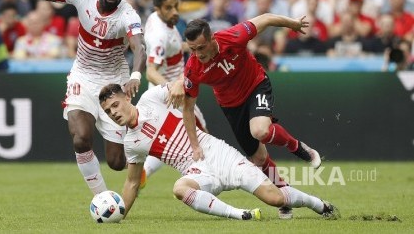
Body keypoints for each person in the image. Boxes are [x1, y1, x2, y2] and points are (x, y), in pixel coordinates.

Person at [0, 0, 147, 195]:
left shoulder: (129, 15)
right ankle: (102, 198)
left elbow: (139, 47)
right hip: (82, 77)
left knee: (116, 162)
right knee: (81, 138)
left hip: (114, 83)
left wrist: (136, 75)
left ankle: (140, 164)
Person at [98, 82, 339, 220]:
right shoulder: (131, 143)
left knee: (275, 198)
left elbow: (183, 83)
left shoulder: (151, 98)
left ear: (127, 98)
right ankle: (239, 214)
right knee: (180, 188)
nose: (114, 112)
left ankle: (318, 204)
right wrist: (119, 215)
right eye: (109, 112)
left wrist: (181, 85)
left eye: (115, 105)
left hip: (218, 154)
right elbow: (131, 183)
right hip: (196, 171)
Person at [177, 14, 322, 219]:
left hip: (256, 86)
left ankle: (296, 147)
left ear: (212, 39)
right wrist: (194, 145)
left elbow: (267, 18)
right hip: (231, 106)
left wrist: (293, 24)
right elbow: (188, 108)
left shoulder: (233, 36)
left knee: (260, 130)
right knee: (259, 158)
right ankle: (284, 196)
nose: (197, 54)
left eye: (201, 47)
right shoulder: (193, 68)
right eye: (192, 49)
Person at [141, 0, 207, 188]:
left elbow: (174, 50)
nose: (175, 12)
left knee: (170, 139)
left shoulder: (156, 18)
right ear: (157, 8)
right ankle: (207, 177)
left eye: (175, 6)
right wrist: (172, 88)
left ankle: (144, 172)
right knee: (201, 135)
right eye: (169, 8)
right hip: (173, 94)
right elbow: (151, 71)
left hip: (163, 91)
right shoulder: (159, 36)